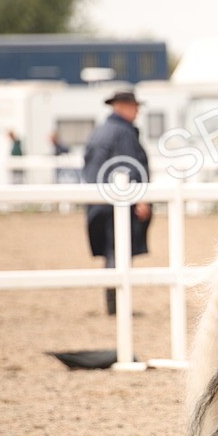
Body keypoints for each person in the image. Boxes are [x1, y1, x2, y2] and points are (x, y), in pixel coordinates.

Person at [82, 91, 151, 315]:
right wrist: (138, 197)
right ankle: (117, 306)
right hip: (117, 203)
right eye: (134, 106)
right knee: (119, 253)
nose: (137, 111)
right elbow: (130, 167)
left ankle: (114, 305)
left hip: (100, 202)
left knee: (112, 252)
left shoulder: (101, 131)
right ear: (122, 106)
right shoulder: (123, 133)